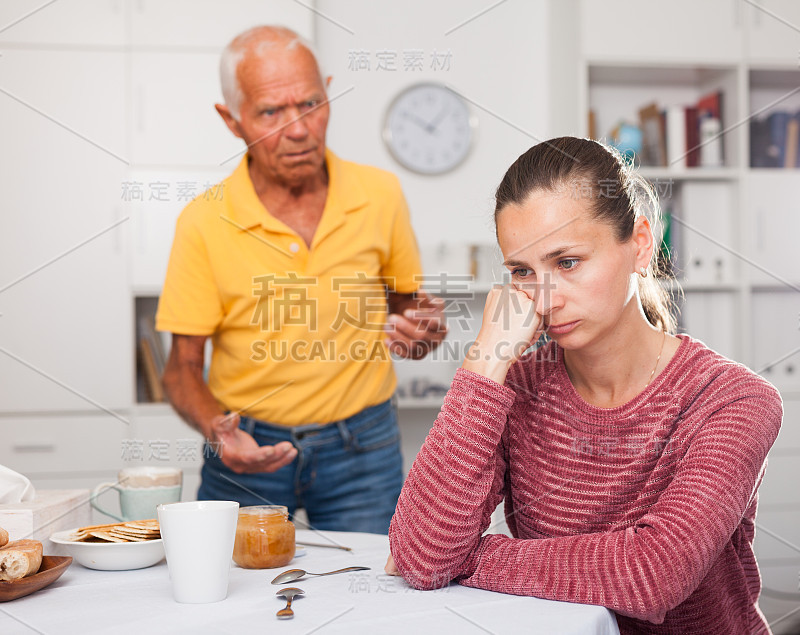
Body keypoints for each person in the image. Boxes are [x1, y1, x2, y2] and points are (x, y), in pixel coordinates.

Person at [386, 137, 782, 632]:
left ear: (640, 244)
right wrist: (484, 363)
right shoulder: (516, 388)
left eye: (567, 262)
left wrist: (471, 560)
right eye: (522, 272)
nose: (545, 298)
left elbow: (653, 574)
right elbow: (423, 557)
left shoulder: (733, 399)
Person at [157, 26, 445, 534]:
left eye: (311, 103)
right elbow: (181, 370)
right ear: (231, 119)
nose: (298, 129)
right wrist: (218, 432)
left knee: (375, 597)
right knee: (228, 598)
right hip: (247, 448)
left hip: (364, 447)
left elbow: (406, 319)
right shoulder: (203, 221)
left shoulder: (381, 195)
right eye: (271, 112)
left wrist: (424, 336)